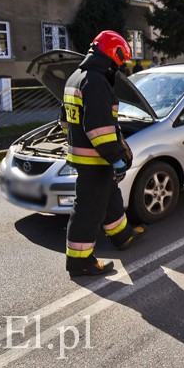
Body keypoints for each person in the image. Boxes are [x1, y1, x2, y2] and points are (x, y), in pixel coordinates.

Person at [59, 30, 145, 278]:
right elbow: (99, 128)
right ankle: (80, 261)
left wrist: (78, 142)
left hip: (86, 155)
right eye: (119, 63)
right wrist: (116, 158)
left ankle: (122, 235)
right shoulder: (96, 81)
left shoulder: (75, 78)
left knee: (109, 195)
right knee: (88, 208)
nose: (118, 68)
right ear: (112, 55)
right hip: (95, 158)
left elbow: (65, 121)